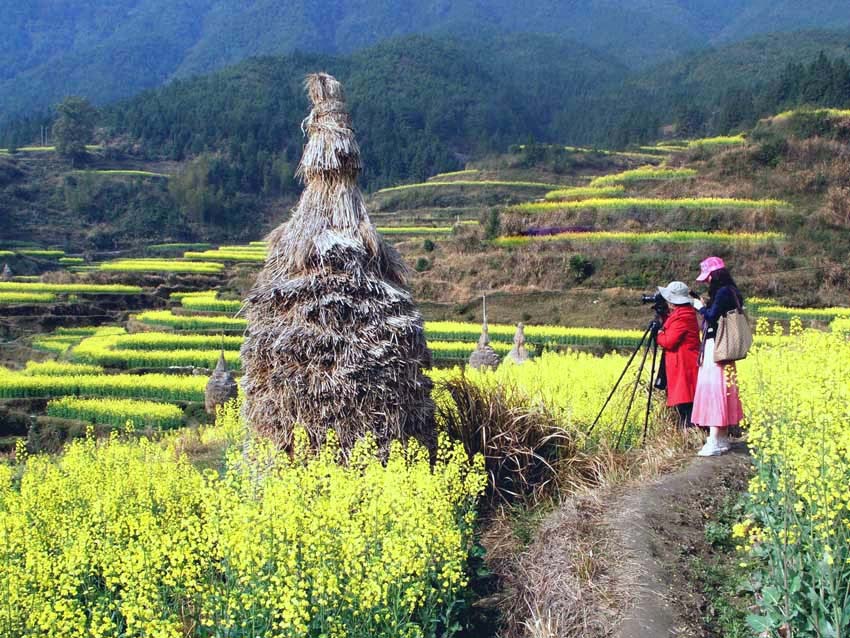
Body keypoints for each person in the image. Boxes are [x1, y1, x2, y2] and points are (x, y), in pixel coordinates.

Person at [691, 256, 745, 456]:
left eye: (708, 277)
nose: (706, 282)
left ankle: (714, 440)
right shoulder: (732, 291)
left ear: (715, 275)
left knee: (714, 390)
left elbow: (712, 316)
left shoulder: (722, 292)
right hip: (727, 349)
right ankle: (722, 438)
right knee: (724, 389)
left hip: (717, 348)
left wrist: (699, 306)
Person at [652, 281, 701, 428]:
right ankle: (688, 432)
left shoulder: (683, 316)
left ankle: (690, 433)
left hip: (685, 365)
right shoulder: (682, 313)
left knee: (686, 404)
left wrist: (658, 334)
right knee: (685, 404)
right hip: (683, 363)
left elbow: (669, 341)